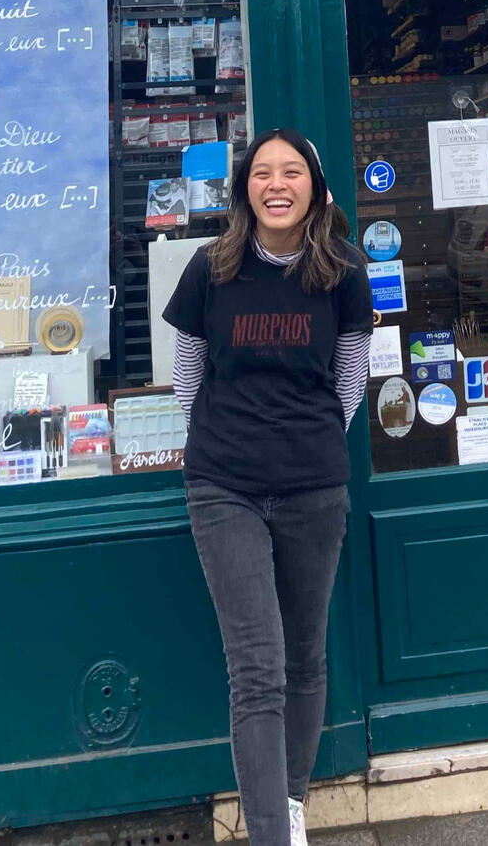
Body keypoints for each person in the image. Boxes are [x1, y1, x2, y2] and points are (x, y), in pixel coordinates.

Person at [163, 128, 374, 846]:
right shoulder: (210, 269)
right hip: (225, 488)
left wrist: (308, 442)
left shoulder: (342, 270)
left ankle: (287, 804)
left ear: (314, 187)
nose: (275, 184)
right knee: (256, 668)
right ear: (244, 188)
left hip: (314, 487)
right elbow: (188, 377)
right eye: (261, 172)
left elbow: (351, 379)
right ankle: (269, 838)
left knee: (304, 657)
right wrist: (228, 442)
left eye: (291, 172)